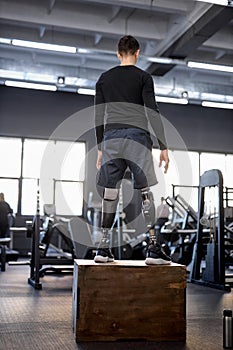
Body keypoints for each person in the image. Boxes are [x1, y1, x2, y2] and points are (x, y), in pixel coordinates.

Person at [94, 35, 171, 265]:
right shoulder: (143, 77)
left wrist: (100, 147)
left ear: (118, 54)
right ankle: (153, 249)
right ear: (137, 53)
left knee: (110, 191)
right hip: (137, 138)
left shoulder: (104, 79)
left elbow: (99, 115)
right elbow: (152, 111)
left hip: (111, 139)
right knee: (145, 190)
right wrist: (163, 146)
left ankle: (103, 248)